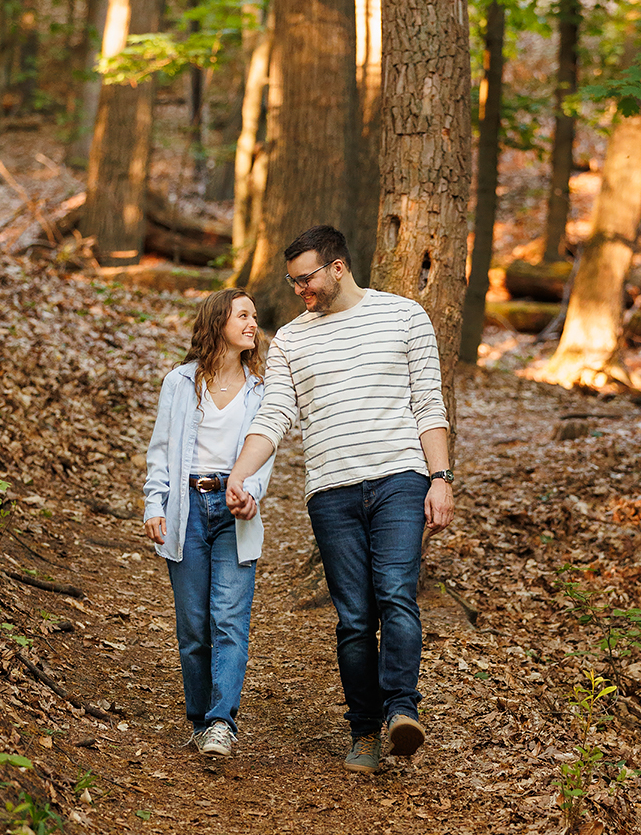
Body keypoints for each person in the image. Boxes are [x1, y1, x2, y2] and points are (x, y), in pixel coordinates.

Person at [226, 226, 454, 774]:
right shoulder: (291, 340)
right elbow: (275, 415)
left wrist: (441, 478)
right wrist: (240, 472)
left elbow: (429, 404)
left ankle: (403, 710)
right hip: (331, 492)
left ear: (338, 267)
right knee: (354, 617)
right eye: (293, 281)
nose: (300, 289)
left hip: (401, 479)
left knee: (397, 592)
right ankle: (364, 730)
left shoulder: (404, 316)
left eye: (307, 278)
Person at [144, 289, 274, 758]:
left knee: (229, 621)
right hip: (187, 509)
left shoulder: (262, 389)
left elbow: (264, 454)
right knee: (194, 627)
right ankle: (199, 717)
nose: (251, 323)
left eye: (254, 317)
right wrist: (154, 505)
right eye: (243, 315)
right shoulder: (180, 382)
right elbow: (160, 450)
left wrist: (251, 495)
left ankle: (222, 721)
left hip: (234, 508)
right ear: (218, 321)